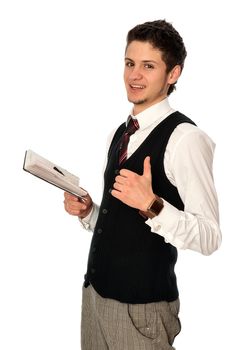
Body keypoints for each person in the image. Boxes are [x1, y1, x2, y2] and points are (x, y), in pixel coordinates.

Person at [63, 19, 221, 350]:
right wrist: (89, 211)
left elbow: (210, 237)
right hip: (94, 297)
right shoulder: (120, 134)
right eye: (130, 63)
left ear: (173, 74)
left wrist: (152, 205)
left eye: (148, 66)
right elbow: (123, 226)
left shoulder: (186, 139)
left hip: (142, 311)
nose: (135, 75)